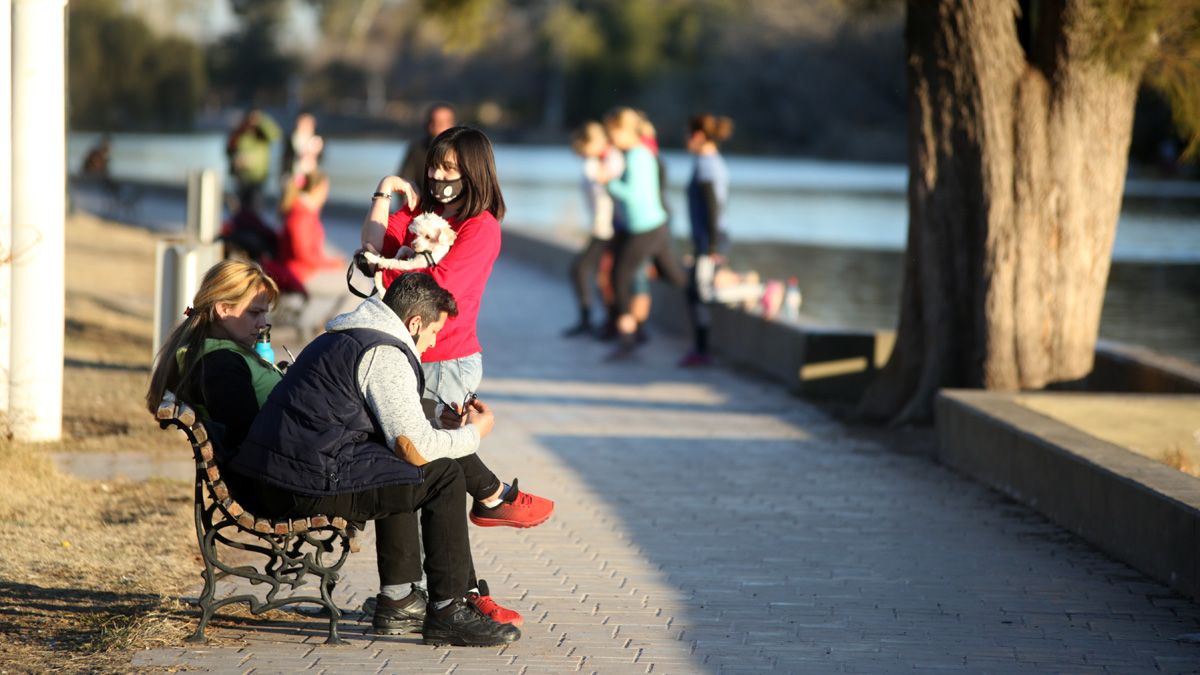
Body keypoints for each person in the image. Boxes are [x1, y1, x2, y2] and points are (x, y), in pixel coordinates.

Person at [229, 272, 521, 647]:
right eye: (433, 333)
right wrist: (473, 434)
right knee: (443, 474)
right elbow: (414, 448)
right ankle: (449, 610)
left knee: (398, 470)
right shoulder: (384, 351)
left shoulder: (349, 335)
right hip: (295, 486)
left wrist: (435, 420)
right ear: (414, 322)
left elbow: (391, 430)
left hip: (275, 475)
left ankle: (399, 600)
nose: (432, 345)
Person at [360, 125, 552, 624]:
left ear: (474, 171)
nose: (439, 176)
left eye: (450, 168)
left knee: (429, 467)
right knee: (401, 464)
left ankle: (460, 587)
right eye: (434, 165)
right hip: (405, 352)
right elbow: (371, 246)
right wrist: (385, 191)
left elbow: (435, 291)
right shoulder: (427, 217)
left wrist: (388, 266)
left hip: (446, 360)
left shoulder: (480, 227)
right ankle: (403, 591)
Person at [600, 108, 689, 359]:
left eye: (612, 132)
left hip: (645, 228)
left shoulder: (638, 156)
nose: (610, 138)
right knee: (676, 278)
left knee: (619, 276)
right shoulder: (637, 154)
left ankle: (627, 336)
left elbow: (634, 194)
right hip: (652, 226)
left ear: (625, 130)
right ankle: (712, 284)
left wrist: (609, 182)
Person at [679, 114, 734, 367]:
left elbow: (712, 205)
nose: (686, 139)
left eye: (689, 134)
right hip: (708, 239)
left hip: (711, 240)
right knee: (695, 291)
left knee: (699, 294)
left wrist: (711, 246)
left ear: (699, 136)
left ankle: (702, 351)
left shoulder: (706, 164)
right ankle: (699, 349)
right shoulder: (711, 161)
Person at [563, 121, 624, 337]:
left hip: (610, 229)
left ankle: (606, 323)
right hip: (600, 228)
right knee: (588, 272)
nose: (581, 154)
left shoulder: (613, 160)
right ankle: (592, 320)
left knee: (590, 272)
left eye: (582, 148)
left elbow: (612, 197)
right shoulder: (596, 161)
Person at [226, 109, 282, 213]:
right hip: (241, 178)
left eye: (256, 118)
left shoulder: (263, 135)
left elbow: (276, 135)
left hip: (258, 178)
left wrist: (263, 121)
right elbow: (229, 151)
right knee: (239, 209)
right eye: (251, 118)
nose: (253, 121)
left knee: (256, 209)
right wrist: (236, 160)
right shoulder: (239, 134)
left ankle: (253, 227)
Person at [396, 102, 457, 196]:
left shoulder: (462, 151)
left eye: (441, 123)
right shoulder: (417, 149)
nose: (435, 127)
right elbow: (403, 179)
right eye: (432, 122)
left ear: (452, 125)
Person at [280, 112, 324, 192]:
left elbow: (320, 158)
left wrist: (312, 155)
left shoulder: (316, 139)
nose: (304, 125)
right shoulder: (291, 139)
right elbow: (286, 159)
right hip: (294, 175)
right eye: (302, 122)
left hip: (309, 176)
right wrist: (285, 176)